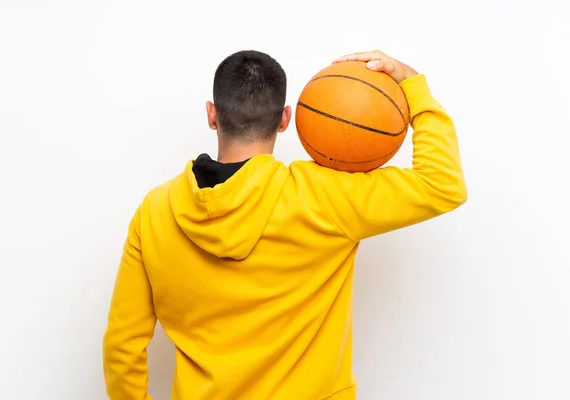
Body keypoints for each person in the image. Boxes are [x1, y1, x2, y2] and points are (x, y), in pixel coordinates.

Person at [103, 50, 467, 400]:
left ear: (212, 115)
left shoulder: (154, 212)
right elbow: (442, 184)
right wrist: (412, 84)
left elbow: (124, 344)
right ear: (285, 119)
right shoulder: (324, 197)